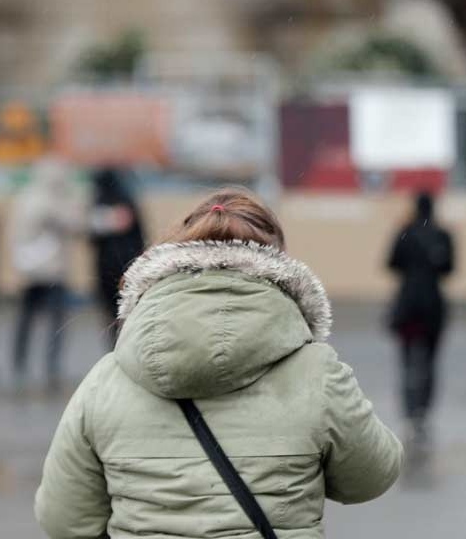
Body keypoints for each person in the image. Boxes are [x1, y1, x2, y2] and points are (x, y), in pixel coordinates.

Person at [34, 188, 404, 539]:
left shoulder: (107, 380)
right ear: (278, 266)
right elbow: (371, 476)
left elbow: (64, 521)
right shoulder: (315, 373)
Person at [386, 191, 454, 451]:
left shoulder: (404, 233)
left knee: (406, 361)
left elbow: (391, 263)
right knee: (430, 362)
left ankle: (409, 411)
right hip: (433, 308)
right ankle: (423, 412)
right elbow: (449, 268)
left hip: (407, 307)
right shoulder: (443, 235)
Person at [10, 159, 81, 390]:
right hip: (51, 272)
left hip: (30, 270)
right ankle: (51, 367)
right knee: (55, 323)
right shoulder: (49, 201)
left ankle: (19, 365)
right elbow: (74, 223)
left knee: (25, 321)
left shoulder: (26, 197)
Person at [89, 168, 146, 349]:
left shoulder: (99, 203)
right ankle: (126, 348)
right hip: (129, 266)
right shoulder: (128, 200)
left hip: (105, 268)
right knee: (128, 313)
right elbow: (140, 235)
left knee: (110, 315)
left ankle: (114, 350)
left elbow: (92, 239)